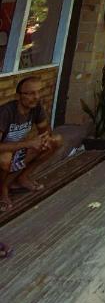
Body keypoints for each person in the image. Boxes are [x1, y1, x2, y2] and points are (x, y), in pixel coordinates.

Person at [0, 77, 63, 211]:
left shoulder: (36, 108)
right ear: (18, 96)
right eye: (30, 93)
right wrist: (28, 143)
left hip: (17, 151)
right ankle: (2, 189)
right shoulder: (5, 112)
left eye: (38, 92)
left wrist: (45, 138)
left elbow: (45, 130)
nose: (36, 97)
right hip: (4, 152)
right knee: (5, 159)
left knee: (55, 141)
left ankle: (22, 178)